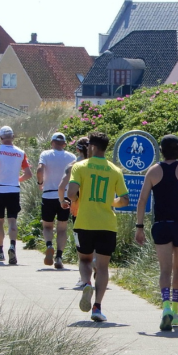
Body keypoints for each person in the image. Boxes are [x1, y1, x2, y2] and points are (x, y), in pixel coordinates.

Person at [135, 134, 178, 331]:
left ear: (161, 150)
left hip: (160, 225)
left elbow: (142, 200)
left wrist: (139, 227)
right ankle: (177, 309)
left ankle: (166, 307)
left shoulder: (153, 171)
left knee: (164, 270)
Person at [65, 131, 128, 322]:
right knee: (103, 267)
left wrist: (75, 199)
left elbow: (71, 192)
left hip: (84, 222)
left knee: (84, 260)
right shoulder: (115, 170)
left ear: (91, 146)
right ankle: (97, 307)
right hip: (107, 225)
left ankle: (86, 283)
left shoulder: (80, 167)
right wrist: (111, 202)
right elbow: (124, 200)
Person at [0, 126, 32, 265]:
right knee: (12, 220)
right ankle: (12, 245)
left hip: (0, 189)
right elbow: (28, 174)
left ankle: (0, 250)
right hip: (14, 190)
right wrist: (16, 179)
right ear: (13, 137)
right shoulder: (20, 152)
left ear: (1, 138)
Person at [37, 132, 77, 269]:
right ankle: (59, 257)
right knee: (62, 228)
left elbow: (39, 169)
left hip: (48, 194)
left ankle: (49, 245)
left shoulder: (45, 154)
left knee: (47, 226)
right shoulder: (71, 157)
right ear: (64, 144)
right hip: (65, 196)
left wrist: (40, 182)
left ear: (52, 142)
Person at [58, 136, 91, 282]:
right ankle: (95, 263)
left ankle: (84, 277)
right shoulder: (96, 165)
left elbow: (61, 187)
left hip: (77, 209)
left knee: (81, 245)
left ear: (77, 149)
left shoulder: (73, 166)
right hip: (96, 208)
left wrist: (62, 201)